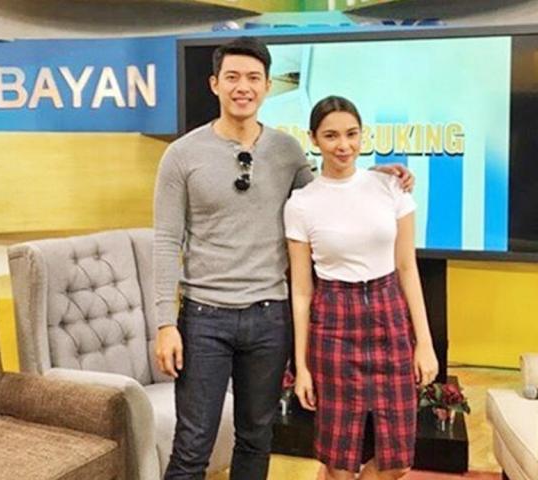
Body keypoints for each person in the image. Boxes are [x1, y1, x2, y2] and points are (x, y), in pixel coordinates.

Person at [153, 37, 413, 480]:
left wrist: (375, 178)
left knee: (257, 439)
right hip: (204, 317)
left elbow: (328, 194)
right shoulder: (182, 155)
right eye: (232, 77)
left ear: (268, 86)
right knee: (193, 445)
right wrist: (164, 323)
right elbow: (164, 240)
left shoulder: (287, 151)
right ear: (215, 84)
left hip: (269, 318)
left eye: (253, 78)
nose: (243, 87)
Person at [284, 96, 439, 480]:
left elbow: (407, 268)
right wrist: (301, 367)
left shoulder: (391, 186)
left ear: (362, 135)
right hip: (333, 325)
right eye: (331, 136)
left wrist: (424, 342)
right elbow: (301, 291)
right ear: (313, 139)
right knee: (338, 464)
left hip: (390, 319)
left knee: (397, 462)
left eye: (352, 134)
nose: (344, 145)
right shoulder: (301, 204)